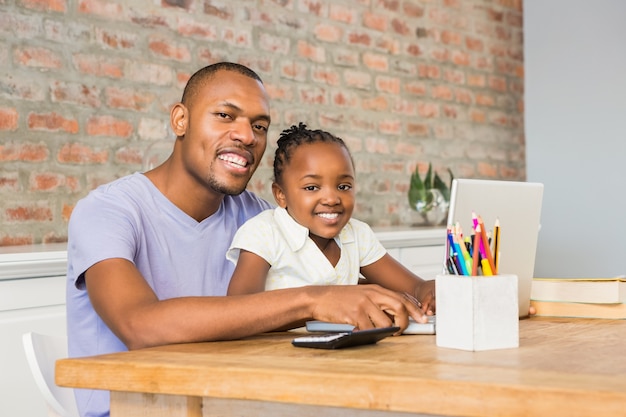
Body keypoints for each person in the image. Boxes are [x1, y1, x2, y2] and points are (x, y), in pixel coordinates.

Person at [66, 62, 425, 417]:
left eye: (259, 125)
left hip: (231, 400)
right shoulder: (107, 211)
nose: (247, 136)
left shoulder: (259, 216)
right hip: (137, 408)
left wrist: (393, 297)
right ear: (181, 120)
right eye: (225, 115)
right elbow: (140, 326)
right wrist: (314, 300)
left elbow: (322, 281)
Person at [226, 123, 435, 319]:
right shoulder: (263, 232)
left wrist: (432, 292)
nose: (332, 199)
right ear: (281, 195)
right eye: (311, 187)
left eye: (343, 187)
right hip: (276, 354)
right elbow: (239, 311)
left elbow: (415, 287)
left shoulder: (357, 234)